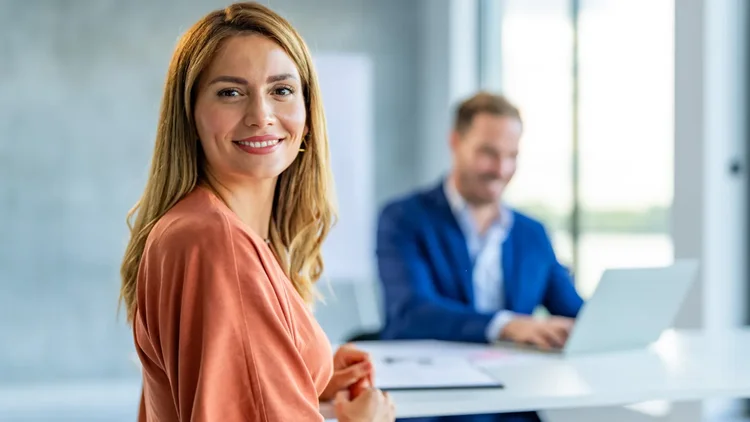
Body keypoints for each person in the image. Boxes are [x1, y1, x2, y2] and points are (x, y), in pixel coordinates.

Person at [118, 3, 395, 421]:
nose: (261, 116)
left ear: (306, 112)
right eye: (230, 92)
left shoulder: (205, 228)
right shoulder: (215, 242)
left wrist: (305, 371)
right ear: (190, 115)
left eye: (280, 90)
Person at [376, 92, 584, 422]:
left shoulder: (532, 233)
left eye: (511, 155)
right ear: (456, 142)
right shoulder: (404, 219)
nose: (501, 169)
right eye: (488, 153)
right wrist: (508, 325)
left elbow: (573, 312)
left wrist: (615, 318)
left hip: (511, 402)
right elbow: (410, 313)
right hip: (435, 404)